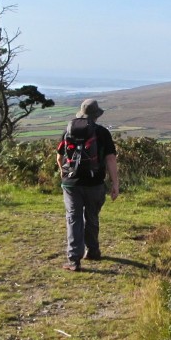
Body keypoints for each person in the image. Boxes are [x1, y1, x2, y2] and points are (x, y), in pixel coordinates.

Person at [58, 98, 119, 271]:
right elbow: (110, 158)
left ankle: (73, 260)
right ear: (96, 115)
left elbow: (59, 156)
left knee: (73, 218)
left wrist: (63, 172)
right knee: (91, 216)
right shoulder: (102, 133)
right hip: (95, 183)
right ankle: (92, 251)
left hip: (71, 183)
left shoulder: (68, 129)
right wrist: (115, 184)